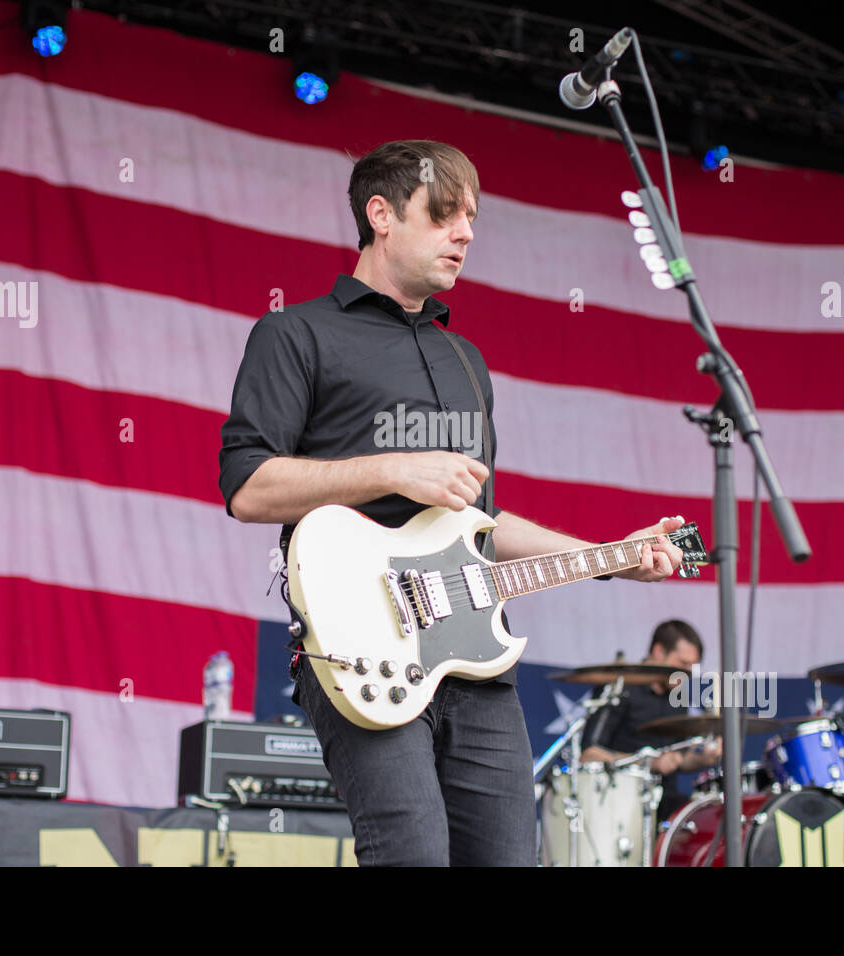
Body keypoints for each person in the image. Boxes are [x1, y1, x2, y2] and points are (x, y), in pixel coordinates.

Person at [218, 140, 686, 866]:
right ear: (380, 213)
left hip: (476, 662)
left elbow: (480, 531)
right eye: (443, 213)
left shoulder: (465, 359)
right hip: (361, 647)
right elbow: (249, 489)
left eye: (471, 218)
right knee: (411, 855)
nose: (465, 232)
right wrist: (394, 468)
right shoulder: (296, 333)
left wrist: (611, 560)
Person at [580, 619, 721, 820]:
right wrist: (648, 763)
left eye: (692, 666)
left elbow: (677, 759)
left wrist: (702, 759)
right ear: (658, 651)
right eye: (682, 663)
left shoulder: (679, 697)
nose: (688, 672)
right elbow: (589, 754)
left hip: (664, 805)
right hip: (617, 803)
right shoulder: (620, 687)